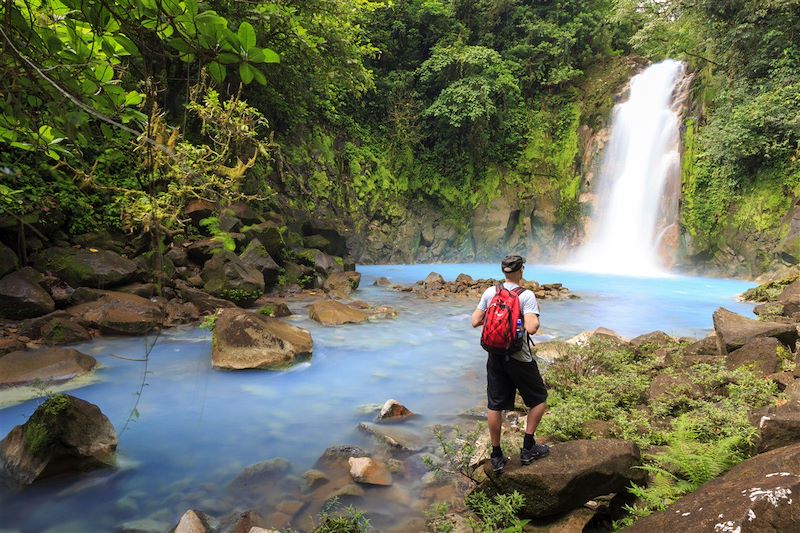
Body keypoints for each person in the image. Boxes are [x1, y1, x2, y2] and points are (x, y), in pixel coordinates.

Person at [471, 254, 549, 473]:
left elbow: (475, 321)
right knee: (539, 398)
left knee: (495, 405)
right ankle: (528, 447)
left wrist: (497, 323)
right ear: (521, 270)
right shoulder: (526, 295)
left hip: (494, 355)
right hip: (519, 357)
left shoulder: (490, 292)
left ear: (503, 271)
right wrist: (528, 317)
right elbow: (532, 328)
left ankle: (496, 455)